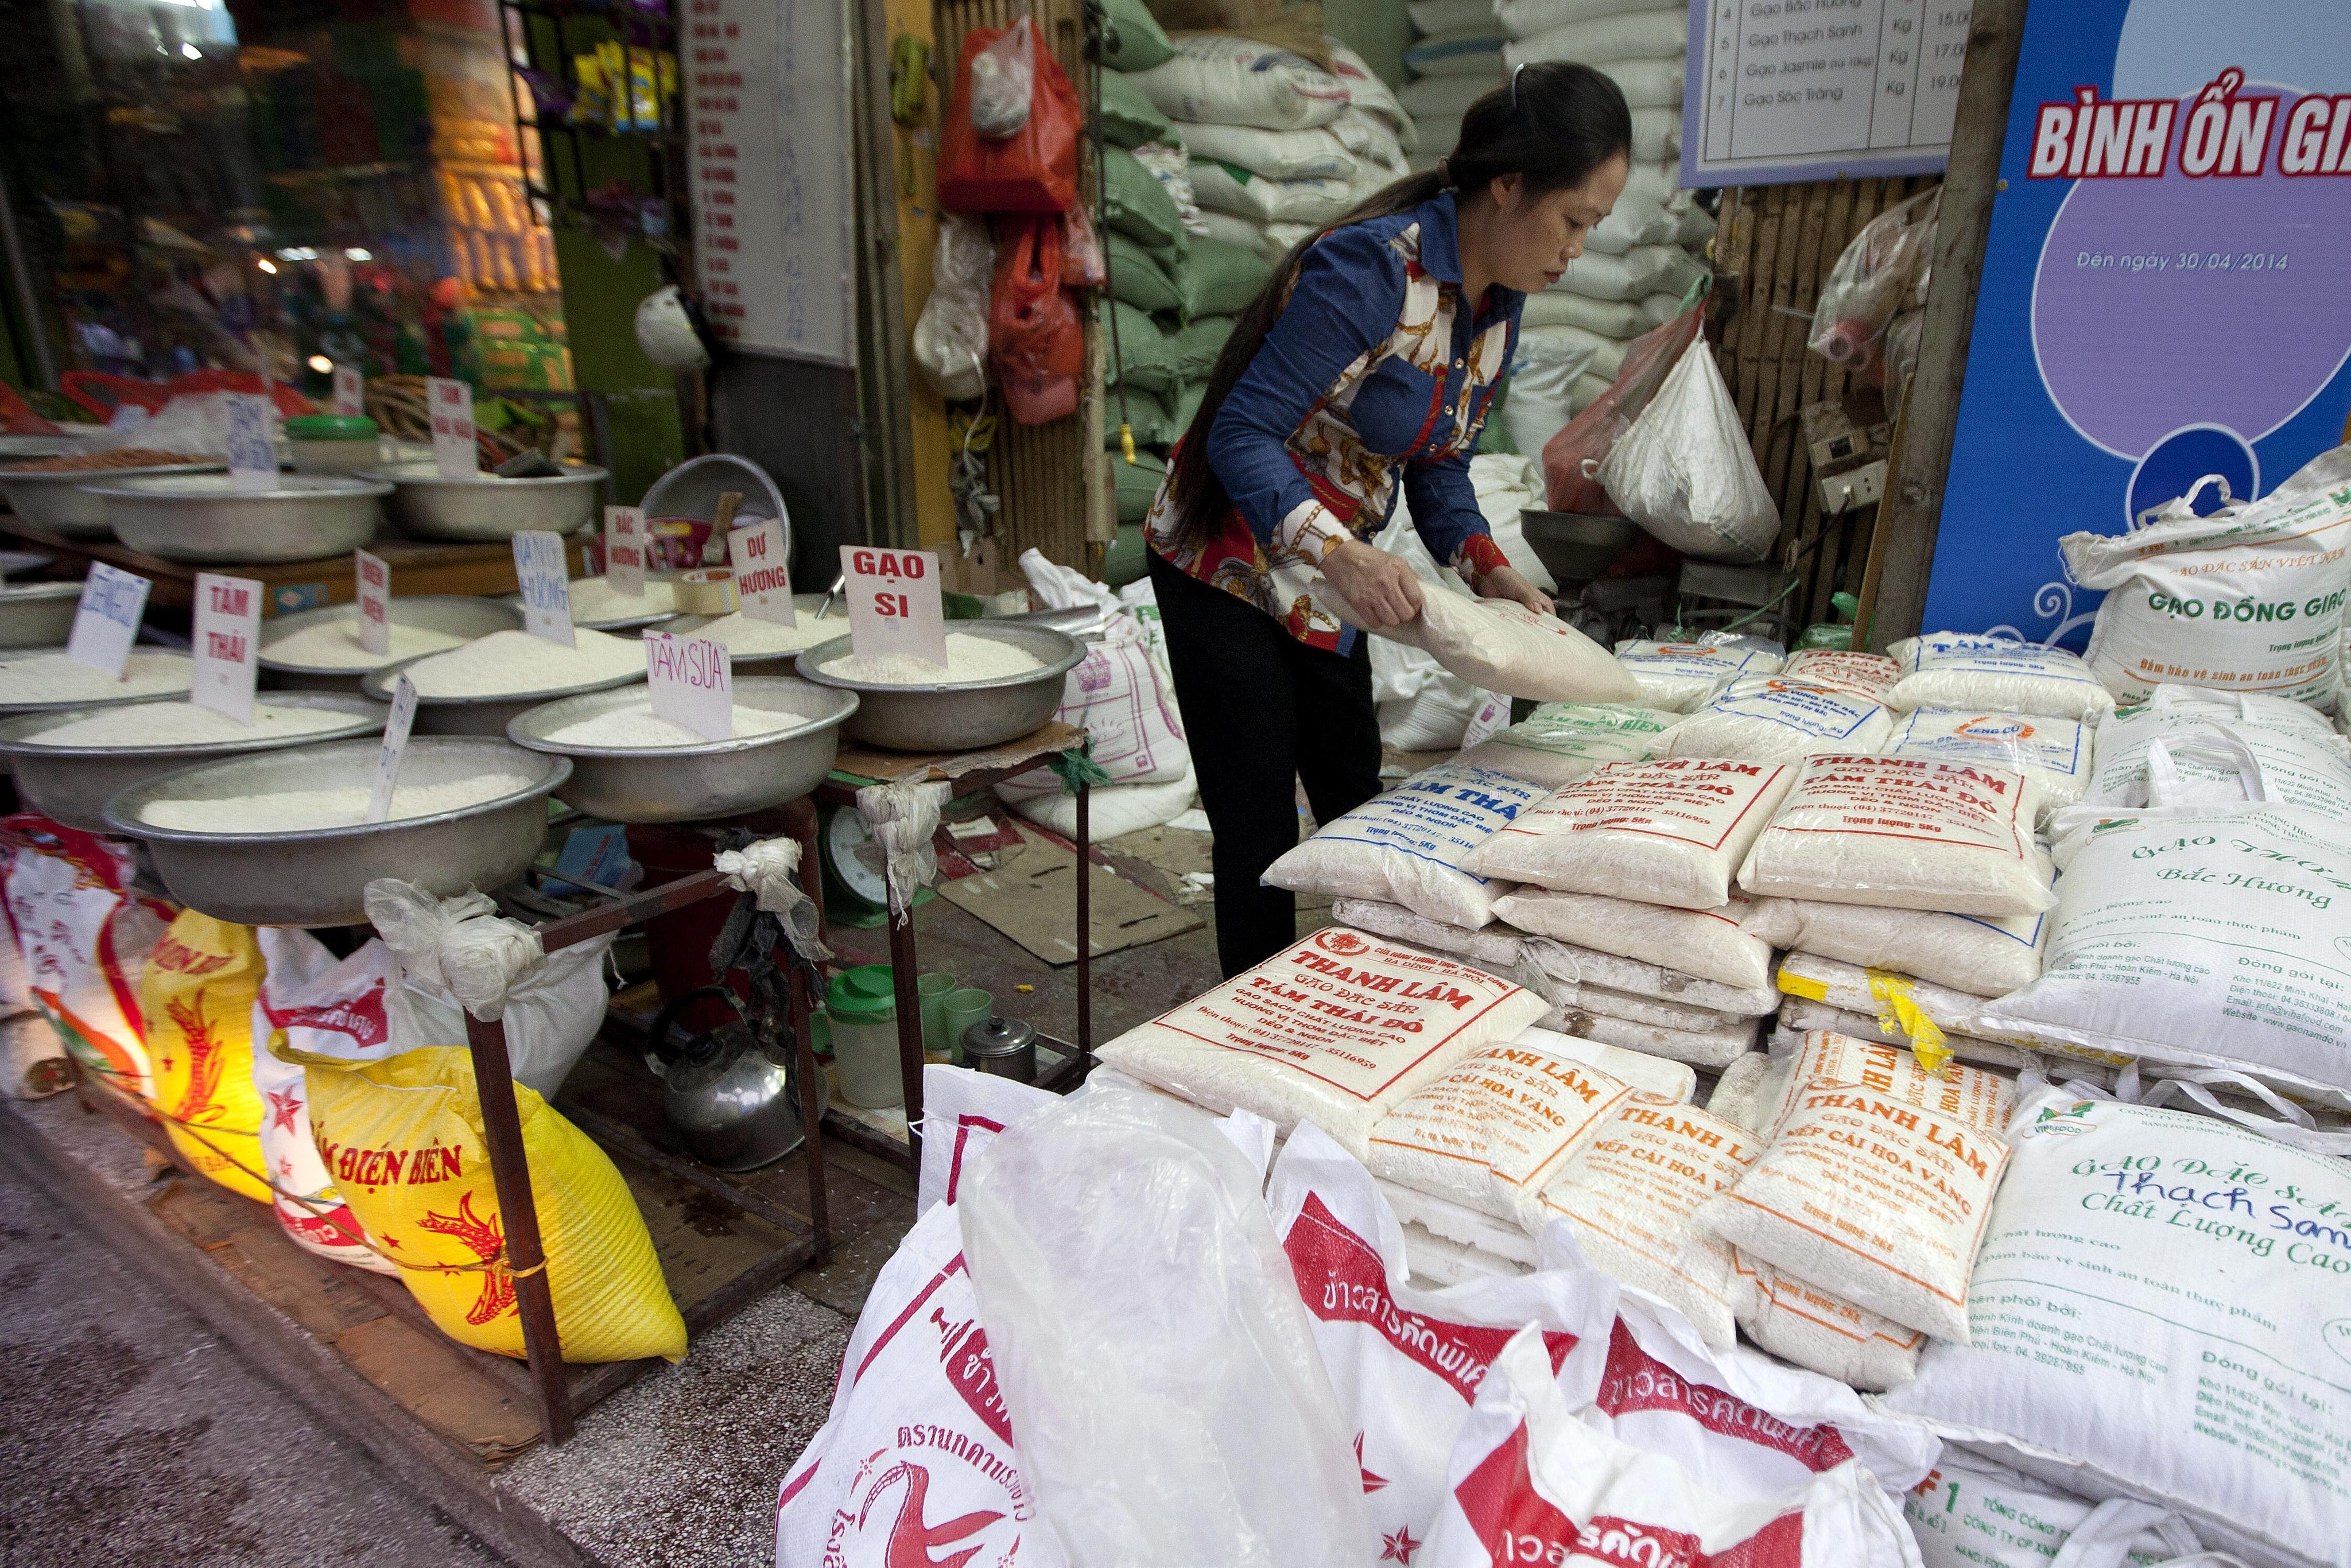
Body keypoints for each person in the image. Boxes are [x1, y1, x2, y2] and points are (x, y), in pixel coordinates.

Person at [1142, 61, 1635, 976]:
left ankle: (1375, 993)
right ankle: (1252, 1032)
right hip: (1229, 558)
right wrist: (1340, 555)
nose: (1576, 249)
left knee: (1353, 788)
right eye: (1574, 220)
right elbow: (1241, 434)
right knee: (1256, 830)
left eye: (1593, 229)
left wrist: (1489, 567)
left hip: (1331, 574)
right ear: (1509, 184)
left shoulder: (1498, 312)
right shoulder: (1373, 270)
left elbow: (1438, 458)